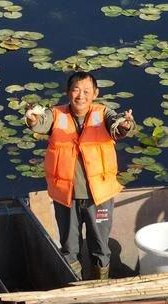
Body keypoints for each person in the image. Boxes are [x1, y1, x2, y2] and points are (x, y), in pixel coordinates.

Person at [25, 71, 135, 280]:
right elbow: (40, 123)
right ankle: (74, 288)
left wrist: (126, 124)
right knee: (69, 247)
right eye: (76, 90)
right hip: (66, 197)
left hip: (99, 197)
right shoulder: (56, 115)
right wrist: (31, 118)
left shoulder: (103, 114)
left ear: (95, 93)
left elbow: (118, 126)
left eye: (86, 91)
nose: (80, 96)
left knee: (100, 246)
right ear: (68, 92)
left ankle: (100, 287)